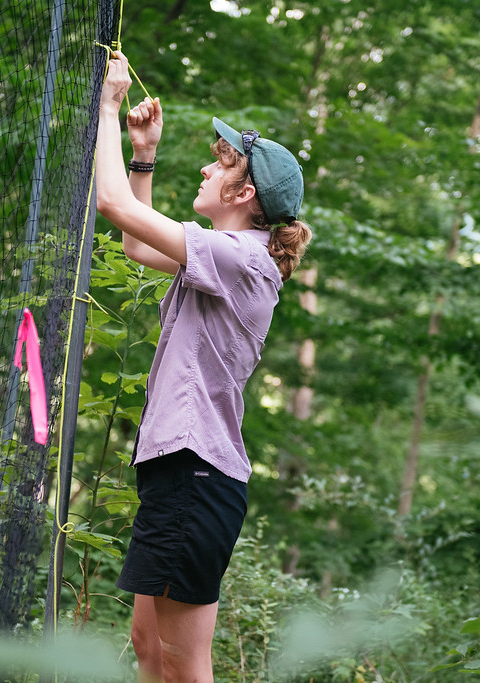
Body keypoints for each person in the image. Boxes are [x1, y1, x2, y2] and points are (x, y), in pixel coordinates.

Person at [95, 51, 312, 683]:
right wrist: (143, 154)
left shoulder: (242, 259)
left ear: (243, 194)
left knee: (183, 664)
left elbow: (112, 207)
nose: (204, 166)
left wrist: (107, 107)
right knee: (146, 644)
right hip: (181, 471)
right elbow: (137, 243)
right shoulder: (225, 256)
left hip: (198, 475)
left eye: (219, 163)